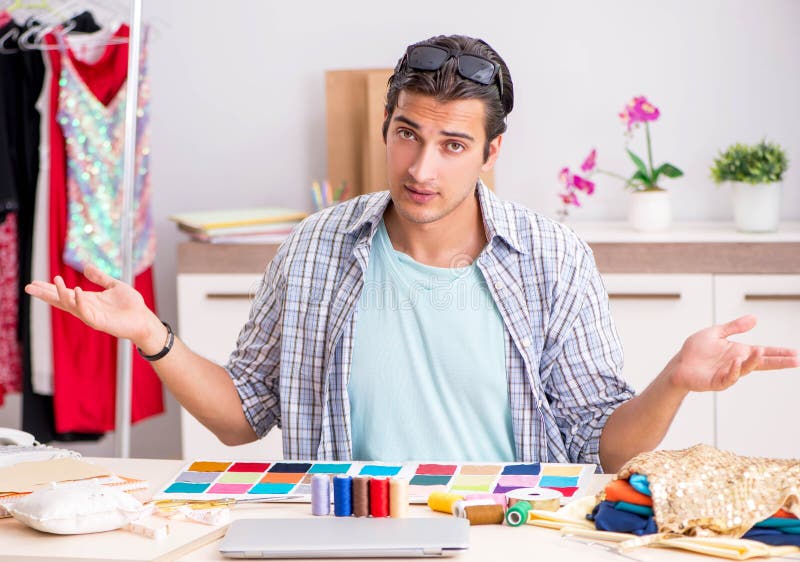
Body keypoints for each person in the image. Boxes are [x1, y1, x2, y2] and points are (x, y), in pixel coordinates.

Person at [26, 35, 798, 472]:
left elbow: (603, 444)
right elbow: (242, 418)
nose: (422, 168)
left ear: (492, 151)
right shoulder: (318, 245)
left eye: (453, 144)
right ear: (387, 127)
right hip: (347, 533)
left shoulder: (551, 255)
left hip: (507, 530)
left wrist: (673, 382)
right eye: (408, 134)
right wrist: (150, 337)